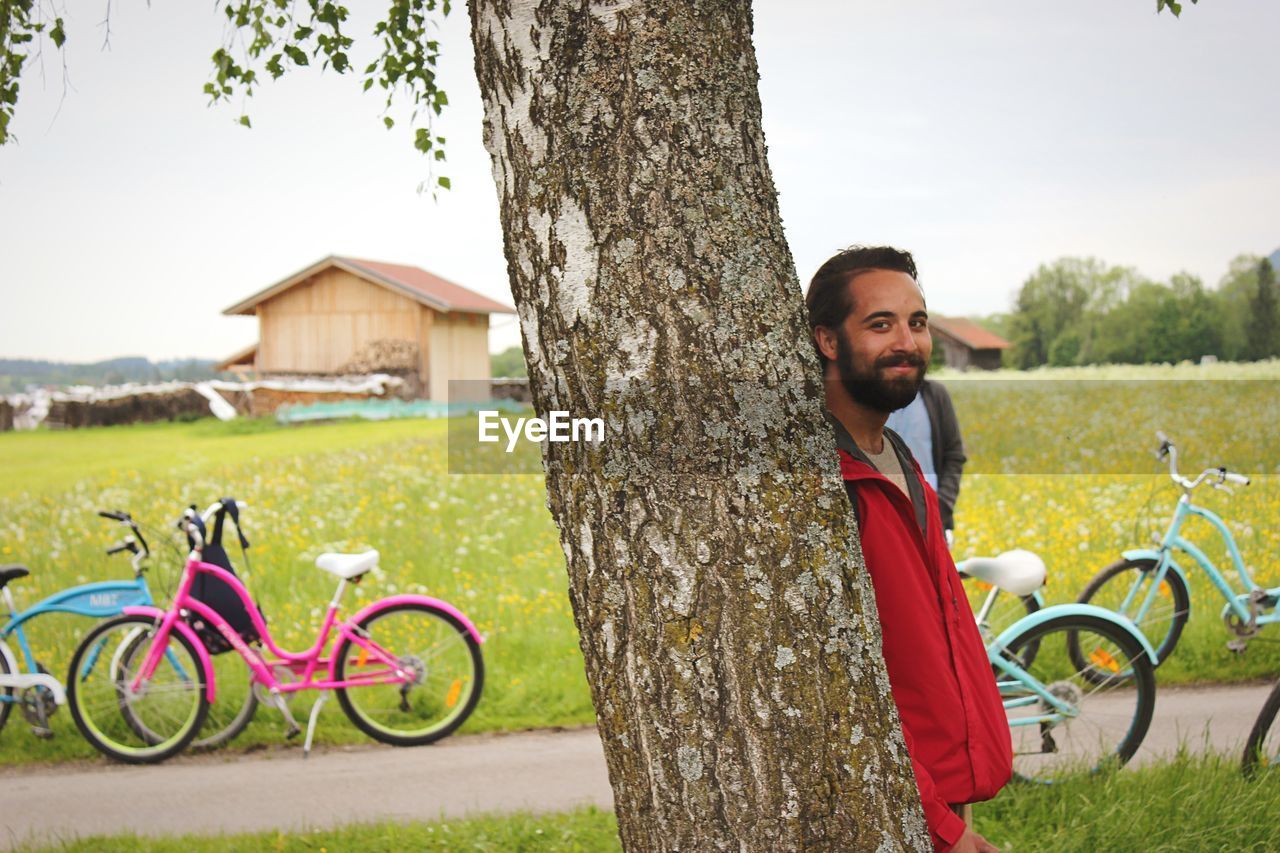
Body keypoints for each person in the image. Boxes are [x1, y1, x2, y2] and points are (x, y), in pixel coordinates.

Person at [805, 246, 1011, 853]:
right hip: (895, 816)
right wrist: (943, 831)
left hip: (942, 797)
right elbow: (842, 695)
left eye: (917, 322)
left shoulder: (900, 462)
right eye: (880, 324)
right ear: (828, 341)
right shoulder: (825, 488)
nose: (907, 341)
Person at [885, 379, 966, 536]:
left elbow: (954, 455)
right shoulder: (863, 396)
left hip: (932, 520)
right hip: (883, 522)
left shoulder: (935, 394)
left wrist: (941, 506)